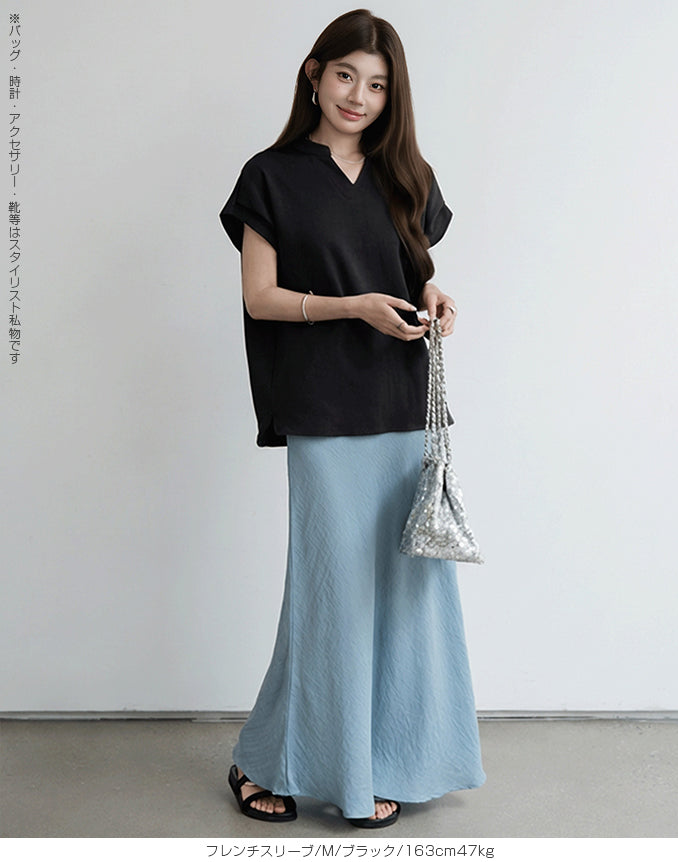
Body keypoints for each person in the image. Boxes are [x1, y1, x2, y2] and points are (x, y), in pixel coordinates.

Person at [218, 8, 486, 829]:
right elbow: (260, 298)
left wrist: (432, 293)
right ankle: (266, 759)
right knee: (331, 595)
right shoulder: (270, 176)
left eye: (377, 84)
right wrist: (353, 307)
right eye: (345, 76)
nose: (358, 96)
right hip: (324, 406)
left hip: (402, 400)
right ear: (314, 73)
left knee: (407, 593)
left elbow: (413, 268)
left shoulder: (406, 173)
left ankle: (390, 762)